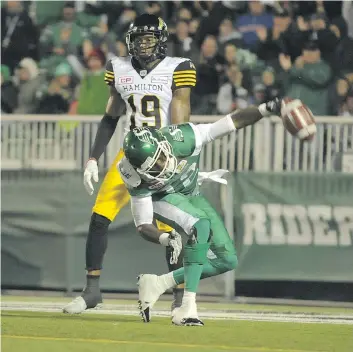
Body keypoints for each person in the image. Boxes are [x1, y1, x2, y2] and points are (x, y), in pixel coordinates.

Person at [63, 14, 197, 314]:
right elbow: (111, 117)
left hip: (164, 156)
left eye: (148, 39)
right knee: (99, 217)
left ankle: (179, 298)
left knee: (170, 227)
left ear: (161, 41)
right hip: (129, 156)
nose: (142, 45)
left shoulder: (178, 67)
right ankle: (92, 291)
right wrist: (92, 158)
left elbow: (181, 117)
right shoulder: (118, 69)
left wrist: (180, 158)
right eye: (137, 40)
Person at [118, 98, 282, 326]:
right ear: (138, 169)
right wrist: (165, 238)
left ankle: (158, 283)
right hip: (163, 198)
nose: (162, 166)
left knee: (227, 260)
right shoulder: (130, 174)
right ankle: (187, 307)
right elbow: (143, 224)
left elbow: (230, 122)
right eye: (153, 166)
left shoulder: (185, 137)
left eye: (162, 157)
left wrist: (265, 109)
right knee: (200, 224)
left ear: (164, 144)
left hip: (192, 193)